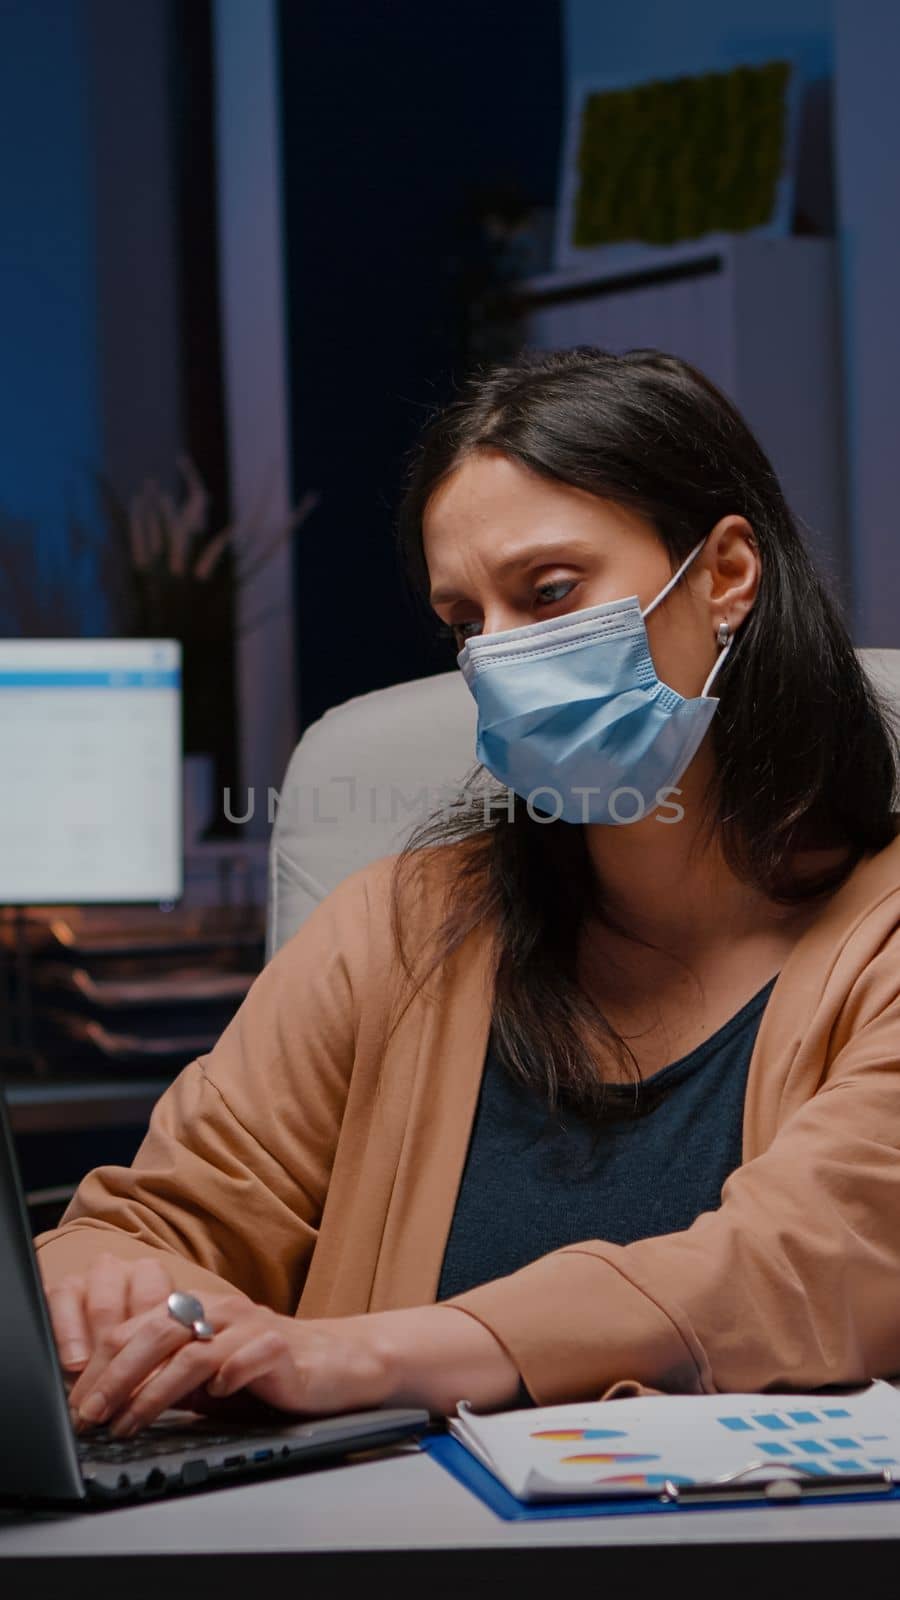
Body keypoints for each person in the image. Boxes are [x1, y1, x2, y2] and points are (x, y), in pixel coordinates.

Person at [35, 346, 900, 1444]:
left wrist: (351, 1352)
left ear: (727, 572)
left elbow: (808, 1262)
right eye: (466, 620)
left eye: (550, 592)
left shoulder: (884, 936)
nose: (501, 657)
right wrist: (118, 1292)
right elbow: (159, 1216)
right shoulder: (399, 926)